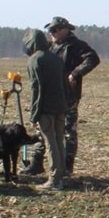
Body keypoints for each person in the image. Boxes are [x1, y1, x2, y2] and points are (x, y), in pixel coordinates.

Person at [22, 16, 100, 176]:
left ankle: (66, 166)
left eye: (55, 29)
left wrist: (75, 74)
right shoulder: (49, 46)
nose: (52, 33)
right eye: (50, 30)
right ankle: (37, 162)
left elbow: (93, 58)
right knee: (43, 128)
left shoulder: (76, 45)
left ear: (66, 30)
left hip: (69, 94)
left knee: (68, 132)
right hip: (50, 94)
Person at [23, 28, 69, 190]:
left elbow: (36, 89)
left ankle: (54, 180)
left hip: (46, 109)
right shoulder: (56, 58)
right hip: (60, 107)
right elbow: (64, 84)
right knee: (59, 141)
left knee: (50, 143)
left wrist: (34, 115)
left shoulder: (35, 60)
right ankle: (61, 175)